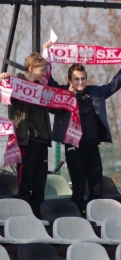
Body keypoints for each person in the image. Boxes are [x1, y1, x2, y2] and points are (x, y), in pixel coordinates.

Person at [49, 62, 121, 213]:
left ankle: (92, 218)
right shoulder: (63, 93)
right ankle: (76, 221)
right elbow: (48, 81)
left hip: (93, 147)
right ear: (70, 81)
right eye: (76, 79)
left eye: (83, 78)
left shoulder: (95, 92)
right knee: (79, 189)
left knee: (97, 189)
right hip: (74, 148)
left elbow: (114, 84)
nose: (80, 82)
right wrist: (46, 55)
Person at [0, 53, 57, 218]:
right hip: (26, 140)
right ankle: (23, 219)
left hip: (42, 140)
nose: (44, 73)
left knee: (39, 186)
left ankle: (38, 219)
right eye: (41, 70)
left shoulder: (44, 88)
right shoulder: (16, 83)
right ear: (31, 69)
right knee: (25, 185)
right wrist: (2, 80)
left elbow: (56, 106)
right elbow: (2, 94)